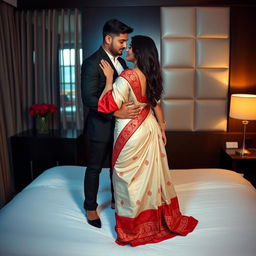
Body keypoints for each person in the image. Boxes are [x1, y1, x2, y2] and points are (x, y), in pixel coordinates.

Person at [98, 35, 198, 246]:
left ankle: (133, 226)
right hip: (149, 128)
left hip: (130, 133)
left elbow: (108, 105)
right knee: (145, 177)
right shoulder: (152, 75)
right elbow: (157, 105)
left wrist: (108, 80)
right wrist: (162, 128)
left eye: (131, 47)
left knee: (126, 177)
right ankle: (152, 219)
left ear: (139, 52)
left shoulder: (127, 76)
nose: (127, 49)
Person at [81, 19, 141, 228]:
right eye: (122, 41)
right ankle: (90, 207)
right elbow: (88, 99)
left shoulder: (122, 64)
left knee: (117, 168)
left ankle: (117, 201)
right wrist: (117, 112)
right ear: (108, 38)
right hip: (99, 127)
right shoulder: (91, 63)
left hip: (119, 129)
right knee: (95, 168)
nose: (125, 46)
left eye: (126, 42)